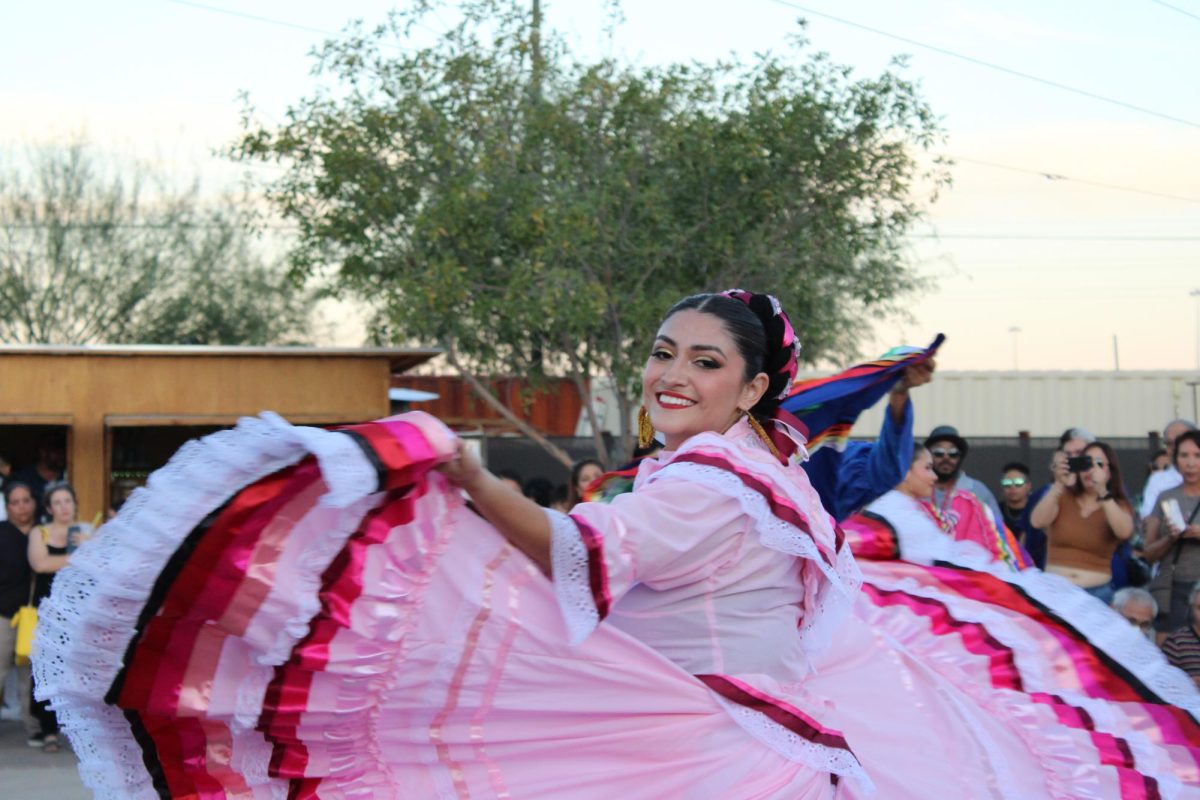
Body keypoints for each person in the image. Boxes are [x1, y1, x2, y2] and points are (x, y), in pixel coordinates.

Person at [34, 291, 1200, 798]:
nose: (669, 374)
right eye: (662, 351)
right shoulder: (770, 454)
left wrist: (466, 470)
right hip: (795, 724)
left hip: (721, 745)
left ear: (748, 385)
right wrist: (893, 372)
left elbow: (573, 550)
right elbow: (819, 400)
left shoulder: (700, 482)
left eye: (703, 361)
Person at [26, 481, 92, 753]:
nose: (64, 507)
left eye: (68, 501)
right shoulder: (39, 533)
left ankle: (82, 728)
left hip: (79, 613)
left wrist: (90, 548)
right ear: (49, 508)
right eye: (58, 502)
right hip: (48, 613)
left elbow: (100, 568)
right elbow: (41, 564)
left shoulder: (87, 531)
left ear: (74, 503)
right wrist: (80, 556)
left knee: (79, 671)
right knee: (45, 672)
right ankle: (48, 728)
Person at [1030, 440, 1135, 602]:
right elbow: (1037, 521)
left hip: (1096, 593)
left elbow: (1124, 532)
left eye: (1099, 464)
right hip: (1055, 591)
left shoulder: (1116, 504)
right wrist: (1059, 484)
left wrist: (1102, 492)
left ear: (1110, 470)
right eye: (1085, 463)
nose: (1090, 470)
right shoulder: (1063, 496)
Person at [1144, 429, 1200, 641]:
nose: (1191, 463)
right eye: (1184, 455)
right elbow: (1148, 553)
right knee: (1170, 655)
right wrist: (1171, 537)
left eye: (1197, 455)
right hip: (1173, 590)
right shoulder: (1165, 497)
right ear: (1175, 459)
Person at [0, 482, 38, 748]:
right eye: (15, 502)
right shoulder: (1, 532)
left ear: (34, 502)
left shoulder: (44, 531)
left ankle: (33, 726)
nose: (22, 506)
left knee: (30, 676)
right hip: (2, 614)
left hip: (36, 617)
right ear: (7, 506)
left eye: (26, 500)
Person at [925, 425, 1005, 528]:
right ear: (927, 456)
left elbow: (998, 530)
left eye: (953, 453)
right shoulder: (916, 489)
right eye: (938, 452)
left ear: (960, 457)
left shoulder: (977, 490)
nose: (946, 458)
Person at [1141, 419, 1198, 520]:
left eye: (1180, 441)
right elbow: (1147, 519)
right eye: (1168, 443)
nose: (1174, 447)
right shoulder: (1158, 481)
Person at [999, 461, 1044, 568]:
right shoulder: (996, 510)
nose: (1012, 487)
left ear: (1028, 486)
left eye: (1018, 483)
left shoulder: (1038, 510)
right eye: (1007, 483)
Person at [11, 438, 66, 523]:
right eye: (57, 452)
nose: (61, 456)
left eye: (63, 452)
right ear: (43, 452)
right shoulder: (23, 478)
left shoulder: (69, 475)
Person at [1162, 582, 1200, 687]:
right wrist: (1188, 683)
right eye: (1199, 608)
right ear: (1191, 609)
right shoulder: (1176, 641)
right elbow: (1163, 682)